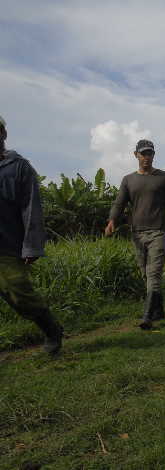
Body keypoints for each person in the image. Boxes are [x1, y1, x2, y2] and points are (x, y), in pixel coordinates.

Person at [105, 139, 165, 330]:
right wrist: (112, 221)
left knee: (153, 273)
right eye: (143, 154)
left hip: (159, 232)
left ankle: (147, 316)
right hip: (137, 233)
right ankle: (159, 311)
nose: (146, 157)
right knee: (145, 273)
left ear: (153, 155)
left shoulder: (164, 177)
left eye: (149, 153)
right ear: (136, 155)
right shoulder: (128, 180)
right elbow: (119, 203)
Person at [0, 114, 63, 354]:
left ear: (3, 134)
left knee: (19, 293)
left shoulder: (18, 168)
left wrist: (32, 246)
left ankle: (52, 330)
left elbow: (31, 208)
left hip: (8, 245)